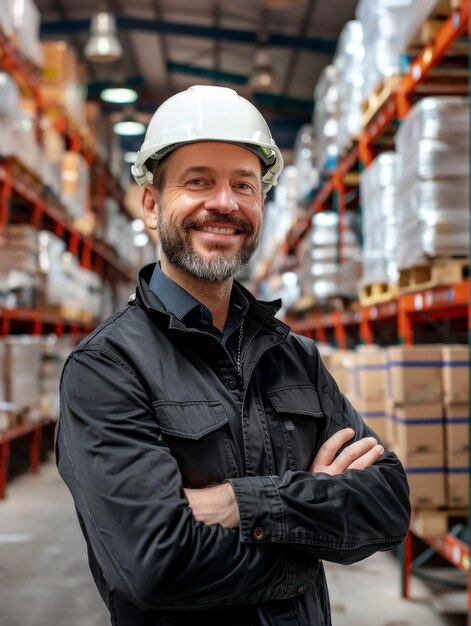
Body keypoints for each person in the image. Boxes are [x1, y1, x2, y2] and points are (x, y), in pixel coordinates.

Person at [56, 85, 411, 626]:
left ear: (260, 204)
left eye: (243, 185)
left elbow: (387, 505)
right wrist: (309, 540)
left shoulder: (297, 357)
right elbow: (154, 566)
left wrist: (238, 505)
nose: (223, 203)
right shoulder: (106, 367)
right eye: (198, 181)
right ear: (152, 205)